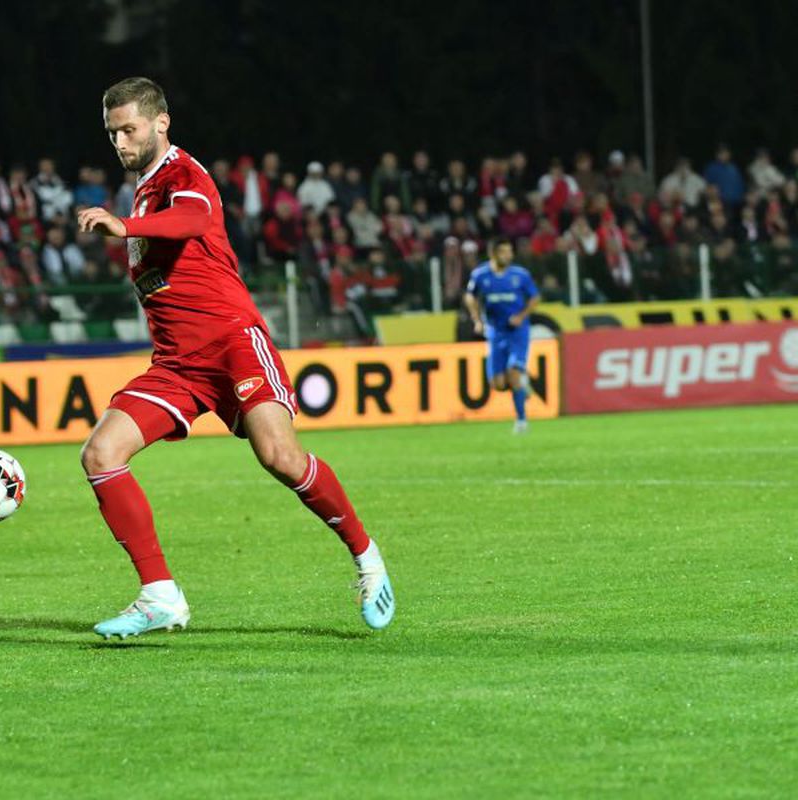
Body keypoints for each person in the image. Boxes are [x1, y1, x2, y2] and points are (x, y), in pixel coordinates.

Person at [76, 77, 395, 639]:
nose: (120, 142)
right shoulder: (145, 189)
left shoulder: (183, 174)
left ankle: (367, 558)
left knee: (280, 457)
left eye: (129, 129)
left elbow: (194, 220)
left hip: (231, 343)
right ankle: (160, 596)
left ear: (161, 123)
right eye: (112, 133)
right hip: (176, 364)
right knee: (101, 453)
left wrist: (125, 227)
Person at [463, 237, 540, 434]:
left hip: (517, 332)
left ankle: (521, 421)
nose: (509, 255)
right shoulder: (480, 274)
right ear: (493, 254)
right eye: (504, 252)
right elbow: (470, 296)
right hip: (495, 332)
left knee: (513, 373)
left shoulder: (520, 275)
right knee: (497, 384)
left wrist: (521, 316)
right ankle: (522, 384)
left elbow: (535, 297)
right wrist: (477, 319)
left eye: (510, 251)